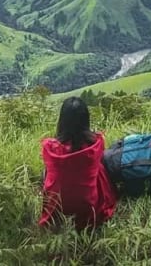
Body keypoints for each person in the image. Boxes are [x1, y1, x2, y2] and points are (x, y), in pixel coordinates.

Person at [39, 97, 117, 229]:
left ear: (62, 120)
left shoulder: (50, 148)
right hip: (88, 205)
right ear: (85, 119)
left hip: (57, 206)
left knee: (49, 171)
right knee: (100, 166)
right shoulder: (96, 144)